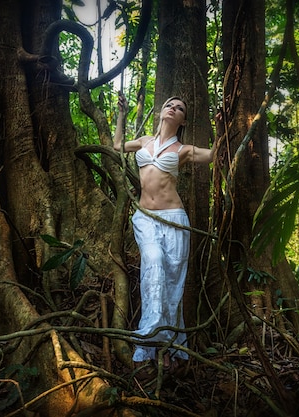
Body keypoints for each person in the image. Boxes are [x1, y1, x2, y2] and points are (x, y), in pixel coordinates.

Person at [113, 91, 215, 377]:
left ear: (182, 120)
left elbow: (216, 155)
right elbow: (118, 145)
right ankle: (149, 338)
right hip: (145, 218)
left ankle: (165, 347)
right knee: (154, 265)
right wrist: (121, 114)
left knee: (172, 284)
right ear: (161, 111)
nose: (173, 108)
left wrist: (226, 124)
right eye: (169, 104)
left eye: (179, 107)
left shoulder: (184, 150)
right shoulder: (145, 142)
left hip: (174, 220)